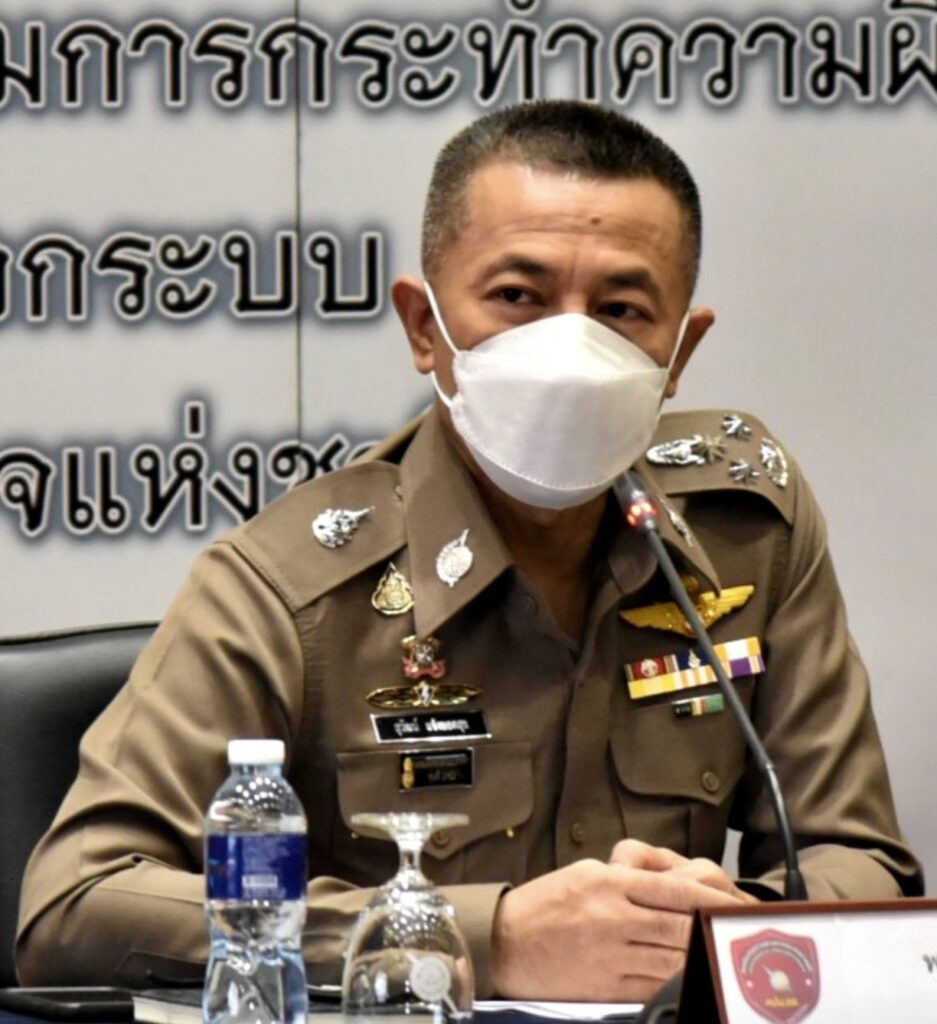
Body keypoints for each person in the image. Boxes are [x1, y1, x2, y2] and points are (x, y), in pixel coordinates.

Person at [16, 100, 922, 1002]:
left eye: (621, 310)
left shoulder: (746, 530)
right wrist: (476, 937)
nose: (569, 349)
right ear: (424, 326)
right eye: (517, 298)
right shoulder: (290, 590)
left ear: (679, 350)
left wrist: (713, 932)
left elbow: (858, 860)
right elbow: (74, 906)